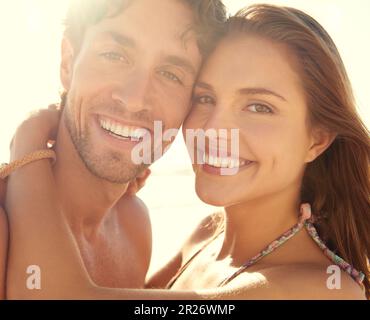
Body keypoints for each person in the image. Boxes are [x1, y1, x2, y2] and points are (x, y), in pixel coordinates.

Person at [1, 4, 369, 299]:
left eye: (259, 106)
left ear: (317, 140)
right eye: (205, 98)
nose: (213, 131)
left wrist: (29, 141)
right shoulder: (202, 240)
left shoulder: (324, 290)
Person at [0, 0, 227, 299]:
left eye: (171, 74)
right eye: (114, 55)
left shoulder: (133, 225)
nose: (134, 99)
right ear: (68, 63)